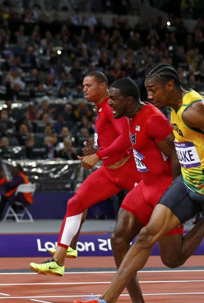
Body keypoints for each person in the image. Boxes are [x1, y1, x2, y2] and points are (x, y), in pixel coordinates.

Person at [72, 63, 204, 303]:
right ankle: (107, 301)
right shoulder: (183, 104)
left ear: (170, 86)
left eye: (153, 90)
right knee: (147, 236)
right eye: (147, 90)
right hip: (186, 182)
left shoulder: (193, 111)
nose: (149, 96)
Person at [77, 77, 204, 303]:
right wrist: (99, 153)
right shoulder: (127, 117)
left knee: (172, 259)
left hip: (163, 190)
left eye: (114, 99)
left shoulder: (154, 120)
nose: (110, 103)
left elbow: (176, 156)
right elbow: (128, 142)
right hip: (144, 187)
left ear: (129, 100)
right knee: (118, 239)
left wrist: (176, 193)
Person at [29, 71, 141, 276]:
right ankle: (59, 260)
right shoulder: (101, 108)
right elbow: (110, 136)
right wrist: (97, 148)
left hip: (129, 170)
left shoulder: (110, 106)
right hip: (110, 171)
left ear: (103, 86)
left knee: (159, 216)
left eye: (89, 85)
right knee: (75, 203)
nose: (84, 89)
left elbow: (126, 138)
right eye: (83, 86)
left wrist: (98, 155)